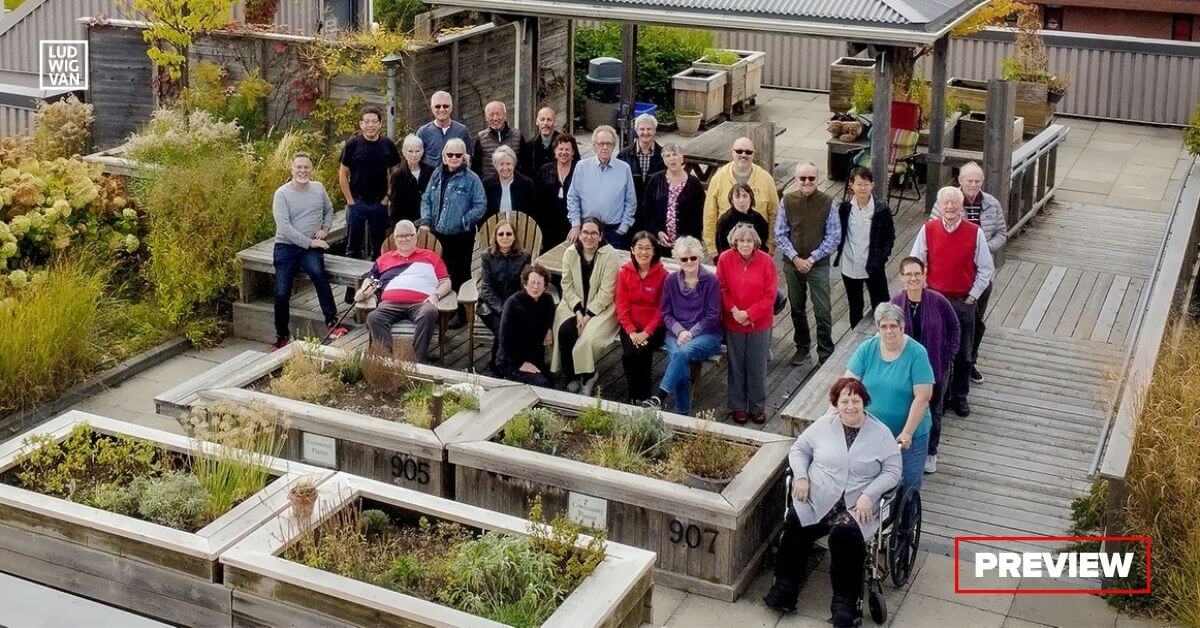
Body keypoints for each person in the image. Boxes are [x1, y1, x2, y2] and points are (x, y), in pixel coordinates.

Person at [762, 377, 901, 623]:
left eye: (855, 401)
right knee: (795, 522)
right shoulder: (824, 425)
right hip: (820, 497)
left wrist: (870, 494)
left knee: (844, 534)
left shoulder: (881, 433)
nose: (850, 406)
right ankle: (784, 590)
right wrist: (802, 477)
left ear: (864, 402)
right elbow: (799, 450)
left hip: (858, 504)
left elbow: (892, 470)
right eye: (844, 401)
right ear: (835, 403)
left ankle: (845, 606)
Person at [911, 186, 995, 418]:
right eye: (945, 203)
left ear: (961, 206)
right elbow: (916, 262)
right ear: (939, 205)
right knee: (933, 350)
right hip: (935, 301)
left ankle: (960, 396)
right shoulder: (928, 229)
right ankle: (939, 395)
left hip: (962, 301)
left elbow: (986, 268)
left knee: (963, 353)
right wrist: (924, 290)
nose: (950, 207)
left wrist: (972, 297)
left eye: (954, 203)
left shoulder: (974, 232)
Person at [844, 302, 935, 491]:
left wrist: (907, 433)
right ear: (877, 328)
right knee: (869, 481)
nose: (889, 331)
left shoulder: (917, 353)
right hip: (871, 431)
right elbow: (846, 387)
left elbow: (922, 397)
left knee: (909, 483)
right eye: (883, 326)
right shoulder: (867, 349)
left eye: (893, 326)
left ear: (902, 327)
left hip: (908, 435)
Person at [931, 162, 1008, 384]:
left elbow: (1002, 233)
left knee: (976, 321)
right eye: (969, 181)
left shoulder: (992, 204)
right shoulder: (948, 201)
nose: (973, 185)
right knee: (949, 321)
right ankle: (949, 366)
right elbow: (933, 229)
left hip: (981, 274)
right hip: (952, 274)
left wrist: (982, 247)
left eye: (978, 181)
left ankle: (969, 362)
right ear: (961, 181)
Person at [891, 257, 960, 474]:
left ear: (924, 275)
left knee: (934, 410)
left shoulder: (938, 300)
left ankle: (931, 451)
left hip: (935, 367)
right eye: (909, 274)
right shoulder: (895, 304)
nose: (913, 278)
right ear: (902, 278)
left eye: (917, 274)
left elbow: (954, 327)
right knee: (907, 408)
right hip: (906, 370)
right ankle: (906, 446)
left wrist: (947, 354)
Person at [271, 152, 346, 351]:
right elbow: (284, 227)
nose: (302, 171)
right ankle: (282, 335)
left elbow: (329, 210)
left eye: (306, 167)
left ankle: (332, 321)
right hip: (286, 246)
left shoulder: (318, 189)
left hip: (311, 247)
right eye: (299, 167)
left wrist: (325, 229)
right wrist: (311, 243)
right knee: (282, 291)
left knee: (318, 274)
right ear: (292, 169)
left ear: (311, 169)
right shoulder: (282, 194)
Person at [356, 220, 451, 364]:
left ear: (416, 237)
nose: (404, 239)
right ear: (394, 238)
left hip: (421, 303)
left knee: (429, 312)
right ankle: (387, 362)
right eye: (400, 236)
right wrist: (362, 292)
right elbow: (371, 280)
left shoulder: (431, 257)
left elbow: (445, 281)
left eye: (408, 235)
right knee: (374, 317)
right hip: (390, 304)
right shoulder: (383, 260)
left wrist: (436, 295)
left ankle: (418, 361)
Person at [775, 162, 840, 367]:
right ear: (796, 179)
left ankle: (825, 351)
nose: (807, 182)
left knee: (822, 310)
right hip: (792, 264)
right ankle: (802, 347)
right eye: (803, 178)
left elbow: (834, 236)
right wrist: (795, 258)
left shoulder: (828, 202)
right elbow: (780, 233)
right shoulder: (787, 201)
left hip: (818, 265)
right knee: (796, 308)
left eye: (811, 178)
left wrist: (811, 259)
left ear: (817, 179)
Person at [418, 138, 486, 328]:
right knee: (440, 273)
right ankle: (441, 309)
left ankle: (462, 313)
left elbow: (480, 205)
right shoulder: (437, 175)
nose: (454, 158)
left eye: (458, 155)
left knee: (460, 273)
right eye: (450, 154)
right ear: (444, 156)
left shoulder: (471, 179)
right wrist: (425, 221)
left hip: (460, 236)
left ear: (464, 157)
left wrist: (464, 220)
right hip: (438, 233)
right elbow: (426, 199)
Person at [649, 236, 721, 414]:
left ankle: (659, 397)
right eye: (684, 259)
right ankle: (682, 413)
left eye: (693, 257)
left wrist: (691, 332)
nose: (689, 262)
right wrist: (680, 331)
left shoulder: (711, 281)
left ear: (699, 257)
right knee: (680, 359)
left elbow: (713, 315)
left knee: (680, 355)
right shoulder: (670, 281)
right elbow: (665, 313)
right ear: (678, 260)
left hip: (707, 335)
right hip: (676, 334)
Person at [552, 218, 621, 395]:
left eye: (593, 233)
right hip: (574, 303)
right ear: (580, 234)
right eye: (585, 232)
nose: (589, 237)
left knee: (587, 339)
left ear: (600, 236)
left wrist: (588, 314)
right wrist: (577, 311)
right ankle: (571, 377)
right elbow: (566, 285)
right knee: (565, 330)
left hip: (601, 307)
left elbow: (607, 291)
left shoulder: (610, 255)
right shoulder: (570, 253)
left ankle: (588, 376)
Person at [718, 223, 777, 424]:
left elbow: (770, 295)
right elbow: (722, 288)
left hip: (759, 323)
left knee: (757, 365)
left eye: (749, 240)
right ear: (735, 242)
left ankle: (757, 406)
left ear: (755, 243)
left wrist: (749, 314)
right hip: (733, 321)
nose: (745, 244)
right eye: (741, 240)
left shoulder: (766, 261)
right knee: (736, 366)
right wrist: (735, 311)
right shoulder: (725, 259)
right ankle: (738, 406)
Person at [834, 168, 895, 329]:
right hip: (849, 265)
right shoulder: (844, 208)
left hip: (873, 265)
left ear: (872, 185)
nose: (862, 188)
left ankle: (883, 336)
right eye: (858, 184)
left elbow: (889, 237)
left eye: (865, 184)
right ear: (852, 185)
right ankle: (856, 341)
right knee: (855, 306)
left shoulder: (881, 209)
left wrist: (882, 258)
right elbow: (837, 232)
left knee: (882, 305)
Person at [339, 106, 400, 262]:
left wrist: (387, 197)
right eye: (367, 122)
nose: (370, 125)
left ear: (380, 124)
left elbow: (395, 173)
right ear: (361, 124)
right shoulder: (352, 145)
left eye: (374, 121)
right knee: (353, 249)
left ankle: (377, 284)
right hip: (356, 202)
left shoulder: (388, 145)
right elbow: (342, 174)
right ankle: (352, 287)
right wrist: (350, 201)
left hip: (379, 203)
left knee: (380, 249)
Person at [615, 231, 668, 404]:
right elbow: (621, 305)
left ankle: (644, 397)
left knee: (643, 352)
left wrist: (646, 332)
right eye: (639, 248)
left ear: (654, 251)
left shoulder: (662, 275)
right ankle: (632, 395)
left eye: (648, 248)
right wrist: (631, 331)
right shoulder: (625, 272)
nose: (643, 252)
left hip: (654, 328)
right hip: (630, 327)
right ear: (632, 249)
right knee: (629, 355)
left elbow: (662, 308)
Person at [702, 136, 779, 254]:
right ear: (732, 152)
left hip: (758, 249)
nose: (744, 155)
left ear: (753, 155)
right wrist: (712, 248)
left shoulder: (766, 179)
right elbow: (709, 215)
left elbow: (774, 214)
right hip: (726, 249)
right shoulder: (718, 178)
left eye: (748, 152)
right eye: (739, 151)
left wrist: (771, 246)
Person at [566, 125, 637, 248]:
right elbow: (573, 197)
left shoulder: (624, 168)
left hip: (614, 231)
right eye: (601, 143)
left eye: (609, 144)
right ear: (594, 146)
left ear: (614, 146)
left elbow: (631, 201)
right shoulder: (582, 167)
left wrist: (623, 227)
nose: (605, 147)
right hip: (587, 229)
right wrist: (576, 225)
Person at [479, 218, 532, 372]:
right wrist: (502, 309)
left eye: (509, 233)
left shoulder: (524, 257)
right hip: (489, 306)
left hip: (514, 304)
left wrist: (513, 307)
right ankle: (500, 365)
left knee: (516, 324)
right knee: (503, 327)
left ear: (514, 236)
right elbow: (486, 288)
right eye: (501, 234)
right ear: (495, 237)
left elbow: (525, 285)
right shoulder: (486, 256)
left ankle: (501, 364)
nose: (505, 237)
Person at [639, 143, 704, 258]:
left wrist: (686, 239)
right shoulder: (655, 180)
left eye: (675, 154)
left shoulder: (694, 184)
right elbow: (646, 210)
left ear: (682, 157)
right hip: (659, 243)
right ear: (664, 160)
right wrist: (657, 231)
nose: (672, 159)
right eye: (667, 156)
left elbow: (699, 216)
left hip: (686, 245)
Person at [497, 265, 557, 387]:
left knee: (552, 381)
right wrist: (520, 364)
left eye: (540, 283)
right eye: (532, 282)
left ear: (545, 286)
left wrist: (549, 329)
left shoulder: (548, 300)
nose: (536, 287)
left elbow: (551, 317)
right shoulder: (513, 303)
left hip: (534, 356)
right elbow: (504, 339)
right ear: (525, 284)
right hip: (512, 360)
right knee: (543, 384)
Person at [535, 133, 578, 247]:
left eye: (567, 149)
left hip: (570, 223)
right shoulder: (545, 169)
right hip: (548, 223)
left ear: (573, 152)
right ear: (554, 151)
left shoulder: (579, 170)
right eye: (560, 149)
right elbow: (538, 199)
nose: (564, 152)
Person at [617, 113, 666, 207]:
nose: (646, 132)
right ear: (636, 131)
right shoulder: (624, 155)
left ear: (655, 130)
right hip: (631, 206)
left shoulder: (663, 155)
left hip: (655, 205)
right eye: (642, 129)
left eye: (649, 129)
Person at [416, 91, 473, 169]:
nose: (442, 110)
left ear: (451, 107)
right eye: (437, 106)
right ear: (432, 109)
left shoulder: (462, 131)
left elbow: (468, 158)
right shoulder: (423, 132)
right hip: (430, 179)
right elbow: (416, 160)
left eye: (445, 106)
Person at [472, 100, 525, 180]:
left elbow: (525, 165)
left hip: (513, 186)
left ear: (505, 115)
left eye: (498, 114)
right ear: (486, 118)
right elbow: (476, 167)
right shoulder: (481, 138)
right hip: (489, 187)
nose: (495, 118)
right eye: (491, 115)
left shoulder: (517, 136)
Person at [389, 133, 433, 225]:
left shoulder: (431, 172)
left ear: (422, 151)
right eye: (410, 151)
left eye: (417, 151)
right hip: (406, 222)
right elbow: (395, 206)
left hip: (427, 222)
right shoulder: (398, 175)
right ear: (404, 153)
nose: (414, 155)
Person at [714, 183, 770, 256]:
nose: (741, 200)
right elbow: (722, 249)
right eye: (737, 197)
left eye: (745, 196)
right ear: (732, 200)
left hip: (756, 260)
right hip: (732, 262)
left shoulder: (758, 218)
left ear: (751, 198)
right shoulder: (725, 221)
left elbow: (764, 241)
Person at [483, 146, 537, 219]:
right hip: (495, 228)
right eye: (501, 164)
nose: (505, 168)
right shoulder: (487, 184)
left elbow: (533, 212)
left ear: (514, 164)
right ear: (495, 166)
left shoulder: (526, 184)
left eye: (508, 164)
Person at [521, 106, 579, 173]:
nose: (545, 123)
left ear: (555, 122)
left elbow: (577, 166)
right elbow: (525, 171)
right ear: (537, 122)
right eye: (542, 119)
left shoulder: (567, 142)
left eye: (549, 120)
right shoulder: (530, 145)